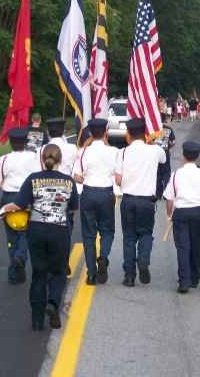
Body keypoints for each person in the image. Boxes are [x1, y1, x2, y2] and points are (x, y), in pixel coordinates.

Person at [0, 144, 79, 331]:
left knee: (39, 272)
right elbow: (73, 208)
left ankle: (36, 319)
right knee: (58, 271)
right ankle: (53, 303)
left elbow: (18, 204)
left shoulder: (33, 179)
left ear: (42, 160)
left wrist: (4, 210)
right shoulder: (68, 181)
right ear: (61, 160)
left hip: (36, 230)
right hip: (59, 230)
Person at [115, 118, 166, 287]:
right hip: (146, 201)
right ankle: (143, 260)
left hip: (128, 199)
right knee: (145, 234)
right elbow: (164, 159)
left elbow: (118, 181)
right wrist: (150, 142)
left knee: (129, 237)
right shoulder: (154, 151)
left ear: (128, 134)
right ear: (145, 133)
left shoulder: (122, 152)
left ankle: (129, 276)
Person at [73, 118, 118, 285]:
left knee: (88, 234)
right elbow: (117, 173)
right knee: (107, 230)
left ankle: (91, 273)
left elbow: (77, 176)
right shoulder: (114, 151)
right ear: (105, 132)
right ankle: (103, 257)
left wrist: (87, 179)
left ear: (90, 133)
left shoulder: (83, 152)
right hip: (106, 193)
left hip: (89, 192)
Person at [163, 142, 200, 293]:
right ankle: (195, 277)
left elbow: (169, 198)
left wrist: (169, 214)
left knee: (182, 246)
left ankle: (184, 280)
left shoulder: (176, 174)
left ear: (184, 156)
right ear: (197, 157)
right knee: (195, 244)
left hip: (181, 212)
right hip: (198, 212)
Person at [0, 126, 37, 285]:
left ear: (11, 143)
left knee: (12, 235)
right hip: (27, 199)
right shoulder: (34, 157)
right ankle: (21, 256)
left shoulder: (4, 159)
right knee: (25, 233)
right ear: (25, 142)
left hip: (9, 199)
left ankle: (13, 273)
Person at [154, 123, 177, 199]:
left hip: (156, 153)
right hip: (165, 152)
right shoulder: (168, 129)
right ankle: (166, 193)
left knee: (157, 173)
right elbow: (174, 142)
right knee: (166, 172)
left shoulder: (153, 128)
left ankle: (158, 194)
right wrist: (168, 147)